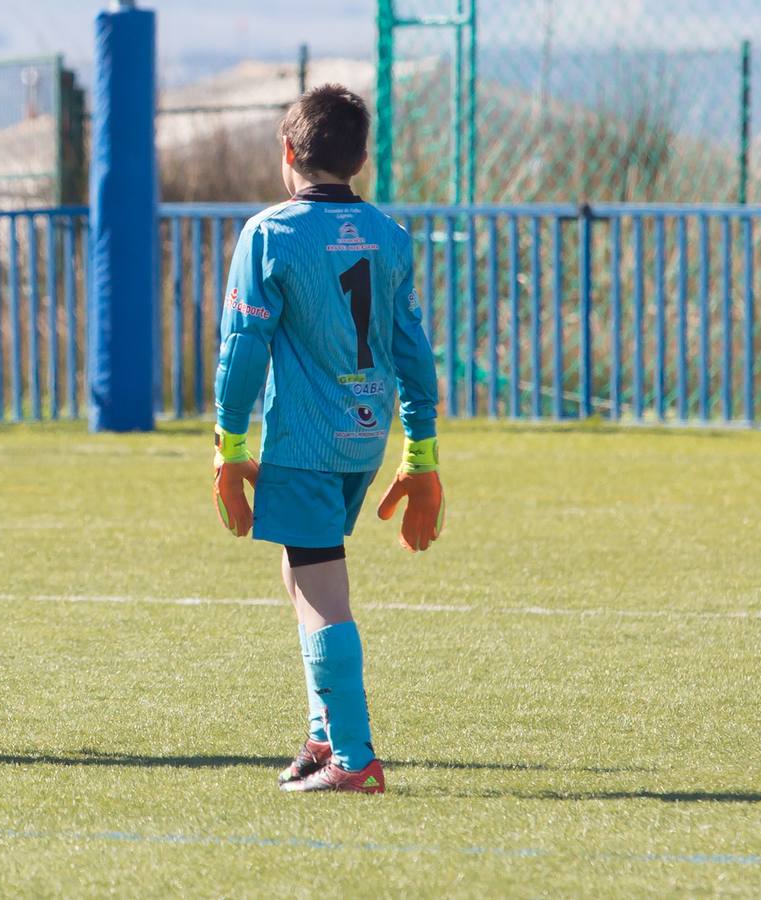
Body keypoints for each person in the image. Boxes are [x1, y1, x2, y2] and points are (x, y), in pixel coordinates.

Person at [209, 85, 446, 794]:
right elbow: (412, 349)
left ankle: (354, 755)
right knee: (302, 569)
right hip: (362, 440)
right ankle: (322, 734)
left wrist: (226, 441)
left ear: (287, 152)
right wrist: (421, 452)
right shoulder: (388, 234)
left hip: (303, 441)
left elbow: (242, 345)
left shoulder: (271, 233)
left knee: (319, 590)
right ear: (361, 161)